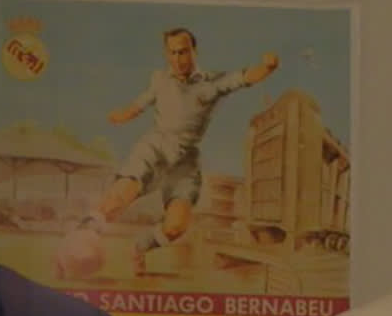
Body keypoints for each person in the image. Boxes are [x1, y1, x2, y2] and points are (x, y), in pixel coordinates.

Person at [97, 27, 278, 273]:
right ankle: (79, 239)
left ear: (194, 51)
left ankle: (140, 246)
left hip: (185, 160)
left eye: (183, 52)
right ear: (166, 54)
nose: (177, 59)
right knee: (117, 198)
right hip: (155, 149)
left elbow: (244, 77)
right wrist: (121, 115)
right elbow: (139, 104)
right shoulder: (159, 79)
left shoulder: (211, 83)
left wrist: (267, 68)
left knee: (176, 227)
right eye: (172, 53)